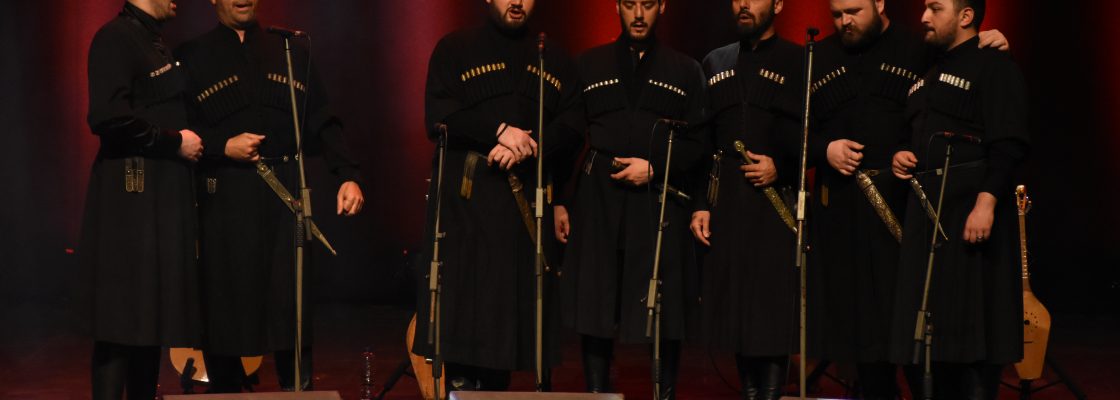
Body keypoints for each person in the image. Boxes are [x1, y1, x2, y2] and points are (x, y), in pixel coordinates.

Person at [805, 1, 1007, 397]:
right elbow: (790, 132)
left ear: (880, 3)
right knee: (861, 330)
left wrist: (994, 40)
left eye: (854, 11)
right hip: (841, 213)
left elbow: (961, 73)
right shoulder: (817, 57)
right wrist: (823, 149)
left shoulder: (920, 49)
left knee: (915, 322)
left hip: (906, 211)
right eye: (836, 14)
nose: (845, 21)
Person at [175, 0, 365, 391]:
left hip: (285, 197)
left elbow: (323, 118)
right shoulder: (191, 55)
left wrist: (347, 175)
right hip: (223, 197)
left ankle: (299, 394)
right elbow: (178, 131)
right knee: (224, 311)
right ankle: (225, 393)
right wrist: (220, 146)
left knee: (291, 310)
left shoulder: (291, 50)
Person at [413, 0, 584, 391]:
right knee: (464, 320)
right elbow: (438, 115)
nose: (517, 2)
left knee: (503, 334)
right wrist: (500, 130)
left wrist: (529, 143)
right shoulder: (455, 48)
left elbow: (574, 124)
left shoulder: (552, 56)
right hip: (466, 209)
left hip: (520, 210)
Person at [555, 1, 705, 398]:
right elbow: (568, 135)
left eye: (648, 4)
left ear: (663, 7)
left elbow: (700, 143)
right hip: (597, 199)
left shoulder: (686, 70)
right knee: (595, 306)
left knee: (664, 308)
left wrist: (655, 168)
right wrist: (558, 198)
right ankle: (597, 395)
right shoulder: (588, 64)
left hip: (659, 199)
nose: (639, 14)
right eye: (630, 4)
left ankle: (664, 395)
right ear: (616, 7)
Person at [888, 0, 1028, 398]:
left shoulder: (994, 65)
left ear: (966, 16)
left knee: (972, 337)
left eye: (935, 8)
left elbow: (1009, 142)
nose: (923, 17)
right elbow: (910, 129)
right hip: (924, 219)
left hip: (969, 216)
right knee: (922, 342)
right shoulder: (924, 70)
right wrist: (901, 153)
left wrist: (986, 201)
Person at [82, 0, 203, 398]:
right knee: (121, 324)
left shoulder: (153, 41)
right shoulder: (116, 38)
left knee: (149, 324)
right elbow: (108, 117)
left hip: (156, 199)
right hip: (130, 201)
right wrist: (173, 142)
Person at [689, 1, 803, 398]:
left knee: (769, 316)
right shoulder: (714, 61)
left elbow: (811, 135)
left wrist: (782, 168)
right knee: (736, 316)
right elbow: (701, 144)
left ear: (777, 4)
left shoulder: (799, 60)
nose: (743, 4)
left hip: (774, 205)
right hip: (727, 206)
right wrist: (701, 203)